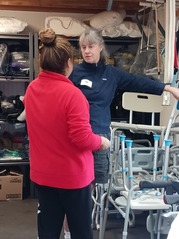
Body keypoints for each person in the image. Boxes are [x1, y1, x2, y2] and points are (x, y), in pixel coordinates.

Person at [66, 28, 179, 238]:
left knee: (93, 185)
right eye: (83, 47)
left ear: (100, 46)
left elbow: (139, 82)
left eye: (91, 46)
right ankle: (70, 230)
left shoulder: (112, 74)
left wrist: (167, 88)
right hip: (74, 137)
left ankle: (83, 225)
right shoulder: (74, 73)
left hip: (99, 138)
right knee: (73, 187)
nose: (87, 51)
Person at [23, 28, 110, 239]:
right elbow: (81, 138)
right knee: (81, 232)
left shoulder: (32, 89)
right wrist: (102, 142)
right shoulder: (73, 95)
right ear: (69, 63)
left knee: (48, 231)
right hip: (72, 177)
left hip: (43, 175)